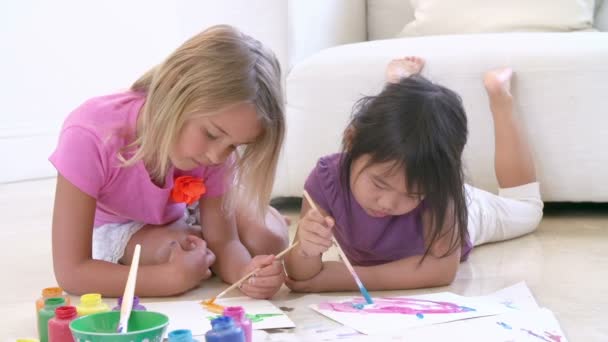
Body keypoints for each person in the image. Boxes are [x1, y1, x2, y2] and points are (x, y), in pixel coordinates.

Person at [50, 25, 289, 298]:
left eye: (234, 146)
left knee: (268, 240)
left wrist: (246, 274)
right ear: (176, 87)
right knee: (177, 250)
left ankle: (251, 211)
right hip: (122, 226)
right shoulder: (90, 134)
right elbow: (71, 272)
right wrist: (167, 279)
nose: (217, 156)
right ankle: (208, 225)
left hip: (184, 209)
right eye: (211, 134)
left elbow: (224, 241)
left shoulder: (214, 147)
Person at [284, 56, 543, 292]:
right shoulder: (325, 181)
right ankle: (400, 84)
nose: (389, 203)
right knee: (404, 136)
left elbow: (441, 270)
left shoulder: (439, 190)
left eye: (412, 195)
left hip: (465, 208)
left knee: (528, 210)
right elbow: (300, 273)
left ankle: (500, 97)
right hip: (413, 170)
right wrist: (306, 250)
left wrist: (342, 279)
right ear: (351, 140)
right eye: (379, 183)